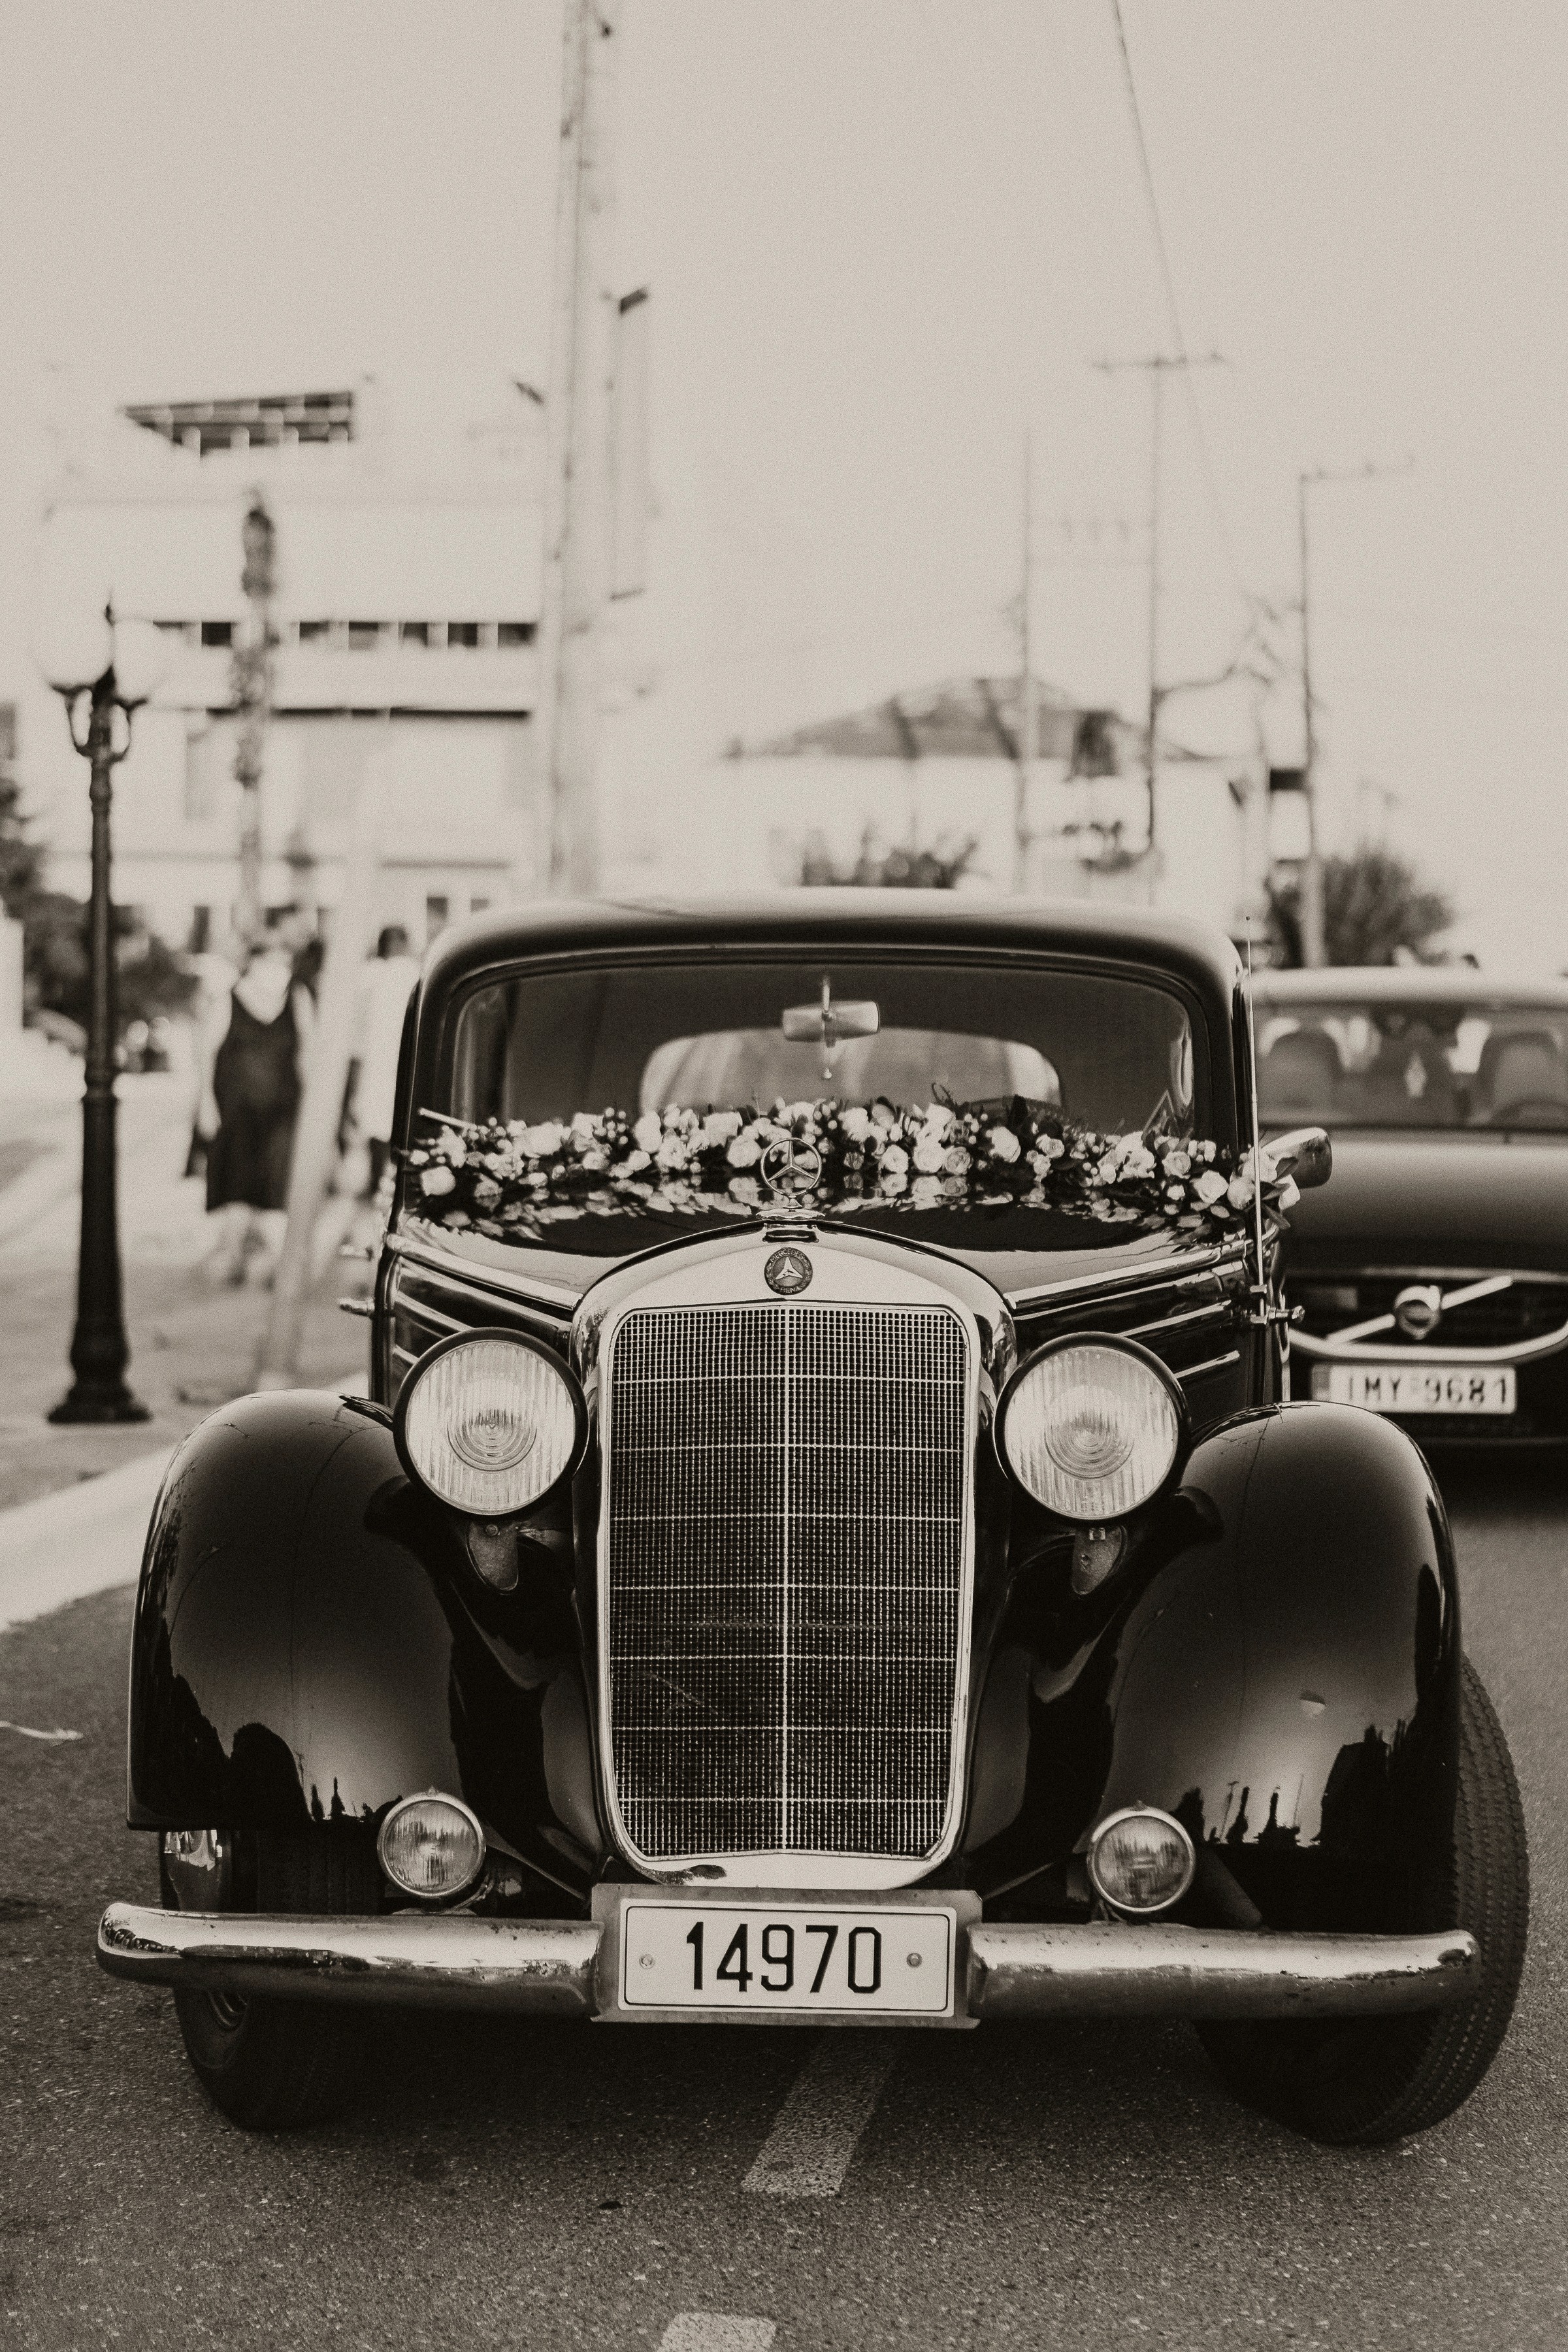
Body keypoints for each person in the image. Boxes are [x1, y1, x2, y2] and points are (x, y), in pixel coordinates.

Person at [197, 907, 313, 1283]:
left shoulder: (298, 999)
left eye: (285, 960)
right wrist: (205, 1103)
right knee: (238, 1187)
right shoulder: (229, 999)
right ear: (255, 962)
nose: (278, 968)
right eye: (271, 959)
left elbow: (309, 1056)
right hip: (237, 1110)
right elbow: (208, 1053)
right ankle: (232, 1258)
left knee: (277, 1187)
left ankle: (275, 1266)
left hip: (283, 1111)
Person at [353, 924, 421, 1196]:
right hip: (406, 1056)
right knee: (401, 1115)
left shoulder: (370, 976)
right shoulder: (417, 972)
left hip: (376, 1058)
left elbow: (357, 1027)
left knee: (376, 1120)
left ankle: (375, 1182)